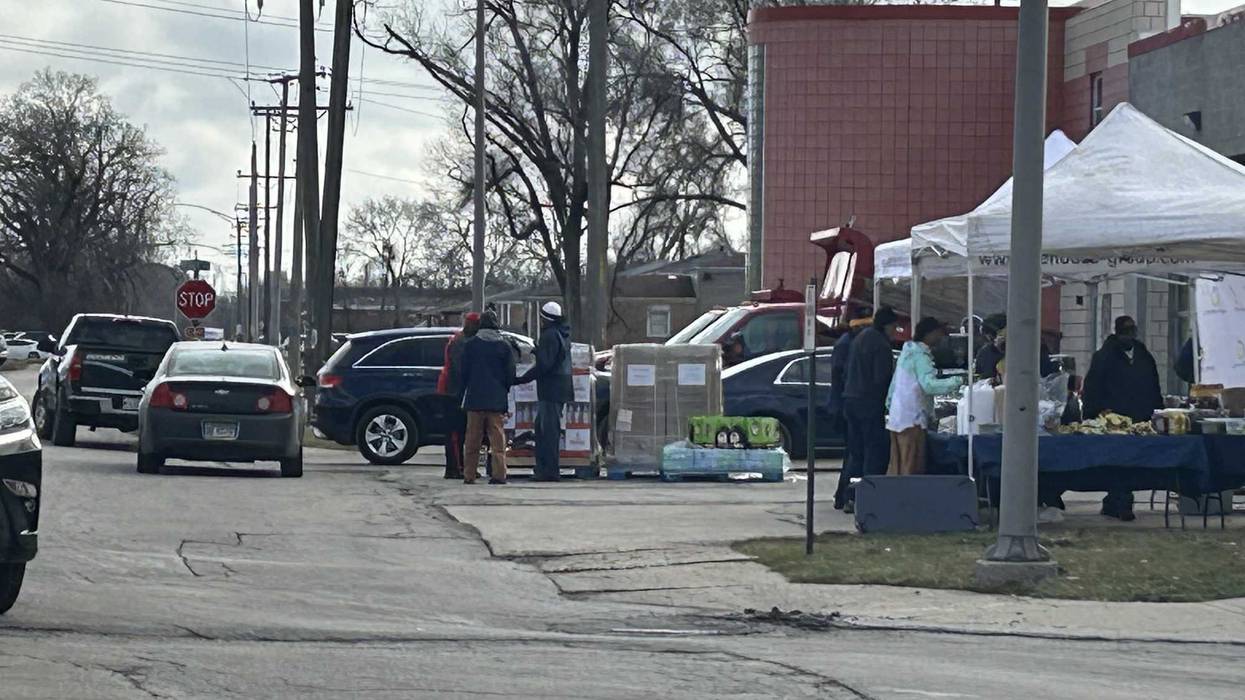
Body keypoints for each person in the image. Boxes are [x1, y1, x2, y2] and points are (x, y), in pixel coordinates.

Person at [1082, 315, 1164, 521]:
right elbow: (1092, 387)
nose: (1129, 335)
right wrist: (1096, 412)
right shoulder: (1104, 356)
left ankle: (1116, 500)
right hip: (1114, 419)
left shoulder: (1143, 355)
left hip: (1140, 418)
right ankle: (1120, 501)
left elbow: (1153, 383)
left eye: (1131, 331)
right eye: (1125, 331)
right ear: (1117, 332)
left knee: (1133, 463)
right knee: (1119, 462)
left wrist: (1157, 410)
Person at [886, 317, 964, 475]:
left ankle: (894, 496)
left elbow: (893, 386)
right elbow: (929, 385)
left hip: (897, 417)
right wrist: (957, 381)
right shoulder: (921, 357)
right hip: (913, 418)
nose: (941, 337)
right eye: (938, 333)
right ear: (929, 334)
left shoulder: (907, 352)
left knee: (897, 465)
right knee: (912, 465)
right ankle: (909, 498)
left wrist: (891, 407)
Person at [842, 306, 900, 505]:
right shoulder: (882, 346)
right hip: (869, 403)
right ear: (886, 326)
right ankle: (867, 497)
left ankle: (846, 495)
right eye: (894, 327)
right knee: (873, 452)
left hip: (851, 399)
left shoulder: (861, 338)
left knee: (855, 452)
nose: (895, 332)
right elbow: (881, 378)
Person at [517, 301, 573, 481]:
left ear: (545, 319)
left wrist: (520, 379)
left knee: (546, 432)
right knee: (545, 430)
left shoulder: (549, 336)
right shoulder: (562, 334)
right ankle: (546, 469)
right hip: (560, 388)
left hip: (550, 390)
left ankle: (548, 471)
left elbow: (544, 366)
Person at [459, 311, 516, 484]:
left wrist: (465, 390)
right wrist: (503, 389)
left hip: (475, 399)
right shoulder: (504, 346)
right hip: (496, 400)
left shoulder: (471, 345)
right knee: (497, 440)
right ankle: (499, 474)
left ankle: (469, 474)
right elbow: (510, 374)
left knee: (472, 440)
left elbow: (463, 372)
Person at [830, 309, 873, 510]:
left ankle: (842, 495)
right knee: (855, 453)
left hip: (845, 404)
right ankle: (847, 495)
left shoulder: (847, 342)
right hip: (848, 405)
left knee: (851, 454)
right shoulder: (849, 345)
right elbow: (842, 376)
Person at [437, 313, 481, 479]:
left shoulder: (461, 339)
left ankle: (460, 467)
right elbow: (459, 369)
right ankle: (455, 468)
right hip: (452, 392)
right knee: (456, 433)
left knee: (461, 432)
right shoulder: (461, 342)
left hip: (454, 390)